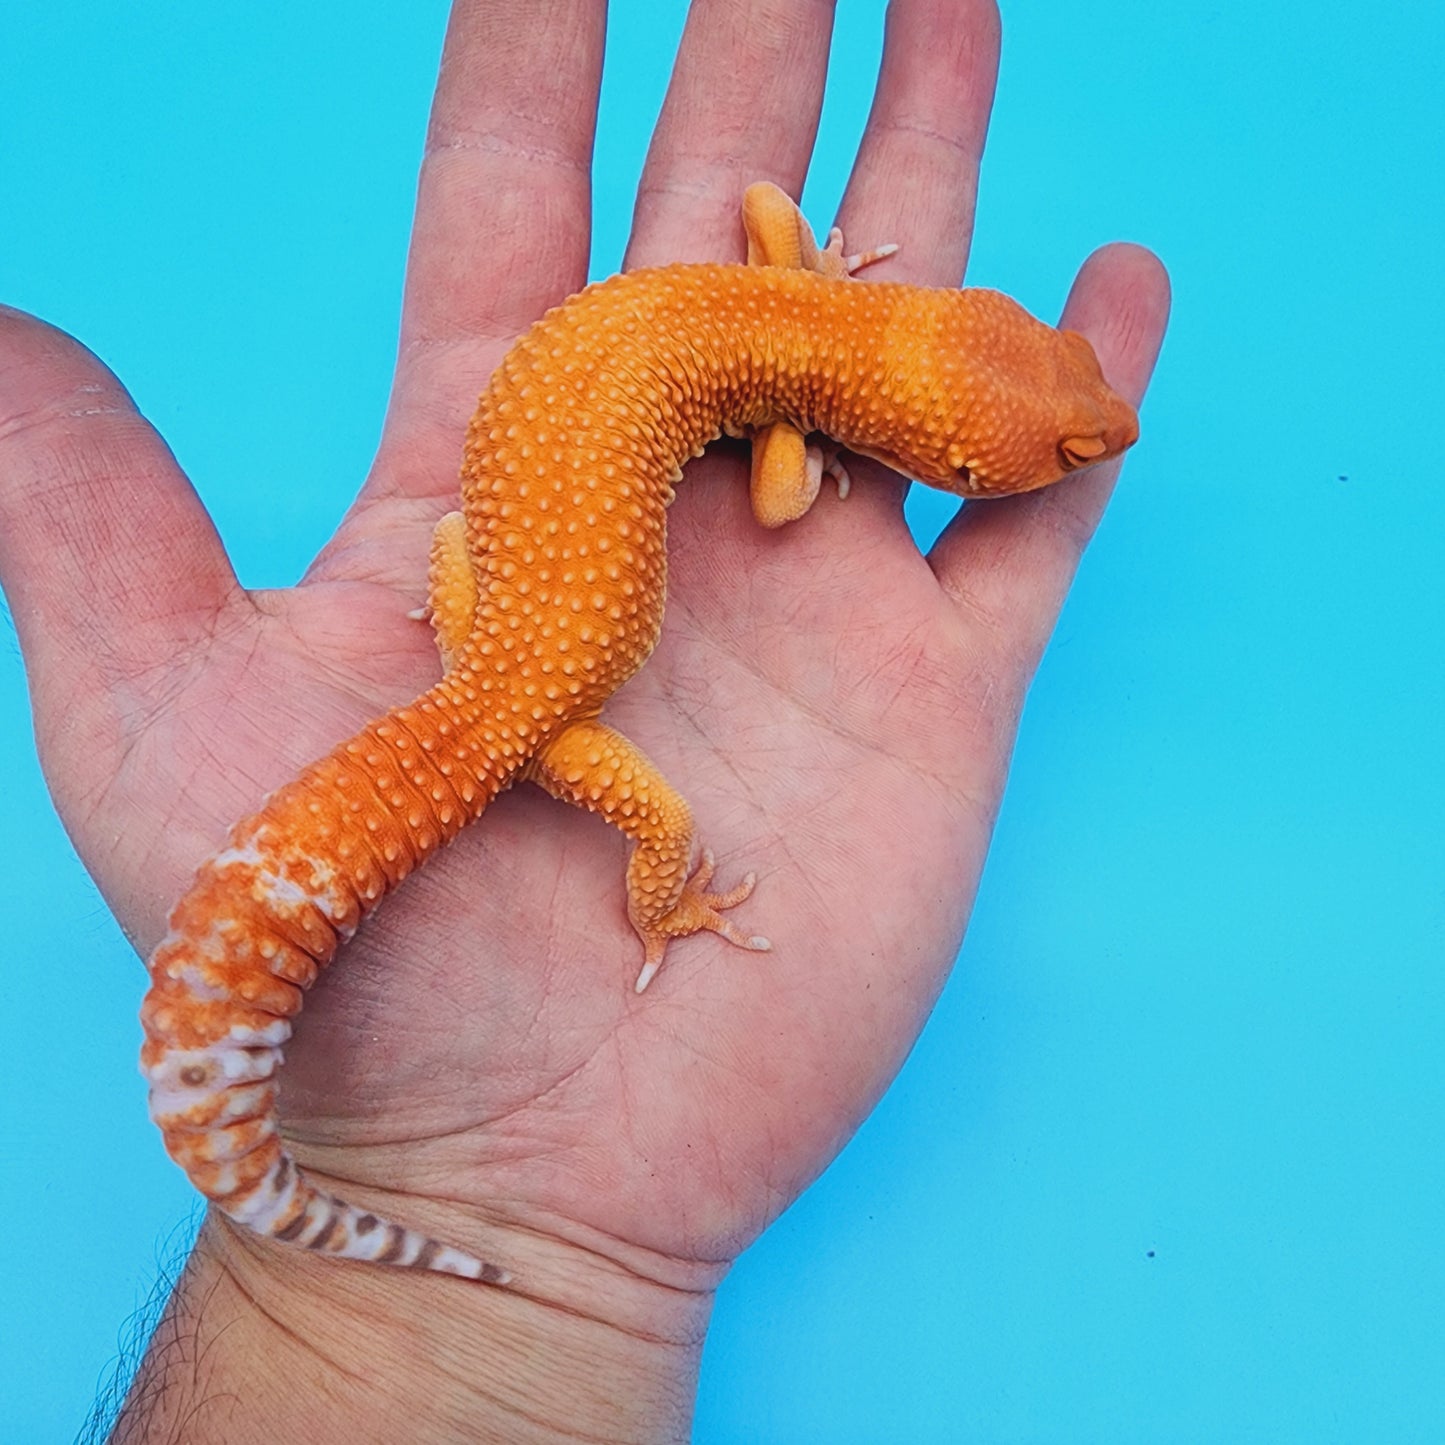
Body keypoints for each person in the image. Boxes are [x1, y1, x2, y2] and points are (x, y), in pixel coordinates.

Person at [0, 1, 1168, 1439]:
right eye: (1059, 440)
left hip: (476, 616)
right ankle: (663, 908)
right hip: (539, 720)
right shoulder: (804, 430)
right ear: (923, 441)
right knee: (664, 821)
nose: (1092, 429)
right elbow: (790, 494)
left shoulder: (788, 280)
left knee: (513, 651)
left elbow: (758, 203)